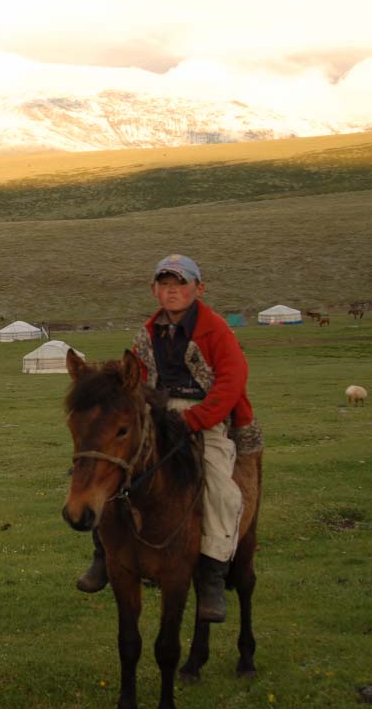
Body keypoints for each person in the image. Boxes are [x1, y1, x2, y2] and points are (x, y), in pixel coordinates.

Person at [77, 254, 254, 623]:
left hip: (204, 416)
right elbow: (134, 380)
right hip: (156, 413)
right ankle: (103, 552)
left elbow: (231, 382)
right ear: (155, 290)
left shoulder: (216, 330)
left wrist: (194, 419)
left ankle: (212, 575)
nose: (172, 292)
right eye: (166, 286)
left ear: (198, 289)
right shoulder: (148, 333)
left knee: (221, 486)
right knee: (117, 468)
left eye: (181, 285)